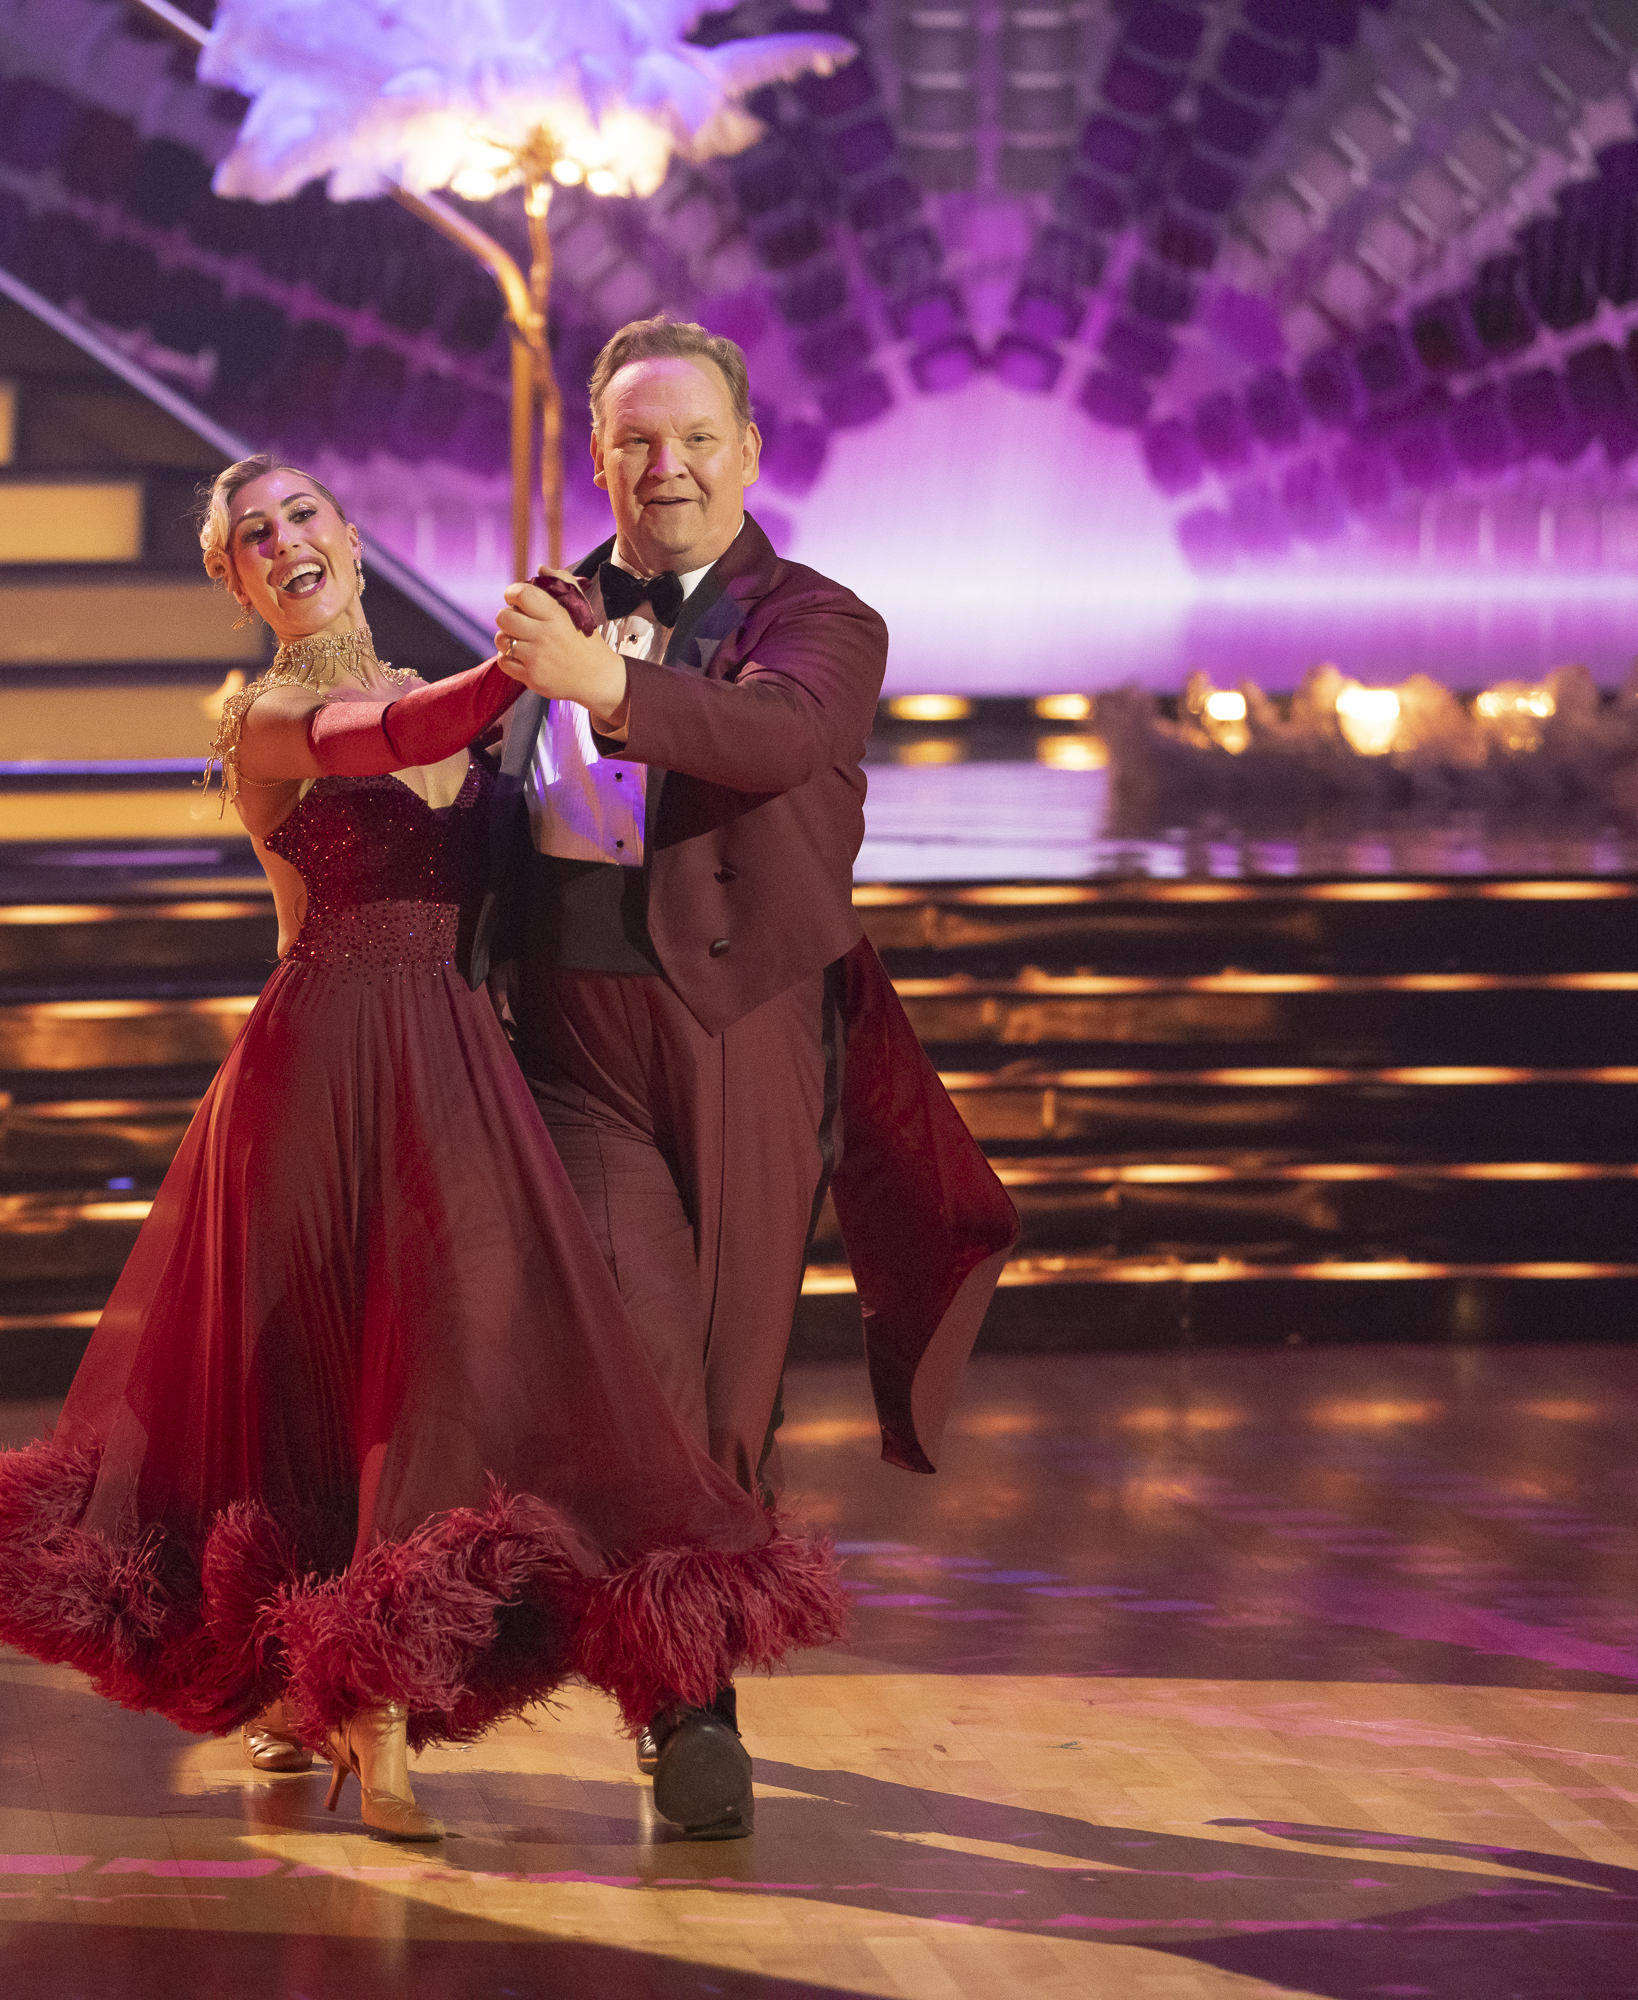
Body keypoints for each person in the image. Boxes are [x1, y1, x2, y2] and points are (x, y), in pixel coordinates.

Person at [0, 456, 846, 1844]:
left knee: (437, 1365)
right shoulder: (275, 713)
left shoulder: (453, 714)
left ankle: (358, 1682)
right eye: (253, 536)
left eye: (304, 515)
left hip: (453, 1067)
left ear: (351, 542)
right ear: (233, 582)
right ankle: (333, 1698)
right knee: (314, 1377)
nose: (284, 540)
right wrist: (533, 662)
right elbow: (390, 731)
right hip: (321, 1066)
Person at [485, 318, 1020, 1836]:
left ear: (748, 453)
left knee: (726, 1382)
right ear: (597, 457)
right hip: (574, 1039)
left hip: (738, 1036)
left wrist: (605, 681)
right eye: (636, 441)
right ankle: (671, 1692)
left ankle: (686, 1674)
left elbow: (781, 737)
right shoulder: (557, 608)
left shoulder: (822, 618)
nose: (666, 466)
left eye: (695, 438)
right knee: (639, 1356)